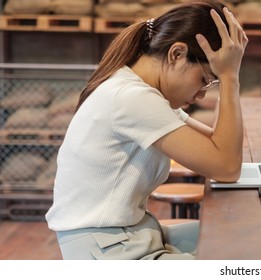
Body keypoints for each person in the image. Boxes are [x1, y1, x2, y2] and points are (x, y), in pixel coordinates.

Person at [45, 0, 248, 260]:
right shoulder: (131, 98)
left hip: (130, 235)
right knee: (246, 254)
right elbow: (226, 167)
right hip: (108, 251)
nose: (200, 95)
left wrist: (227, 74)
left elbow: (218, 146)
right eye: (205, 79)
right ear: (176, 54)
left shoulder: (143, 92)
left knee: (239, 236)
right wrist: (230, 77)